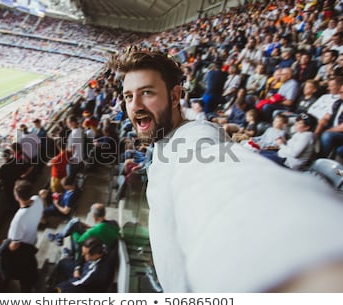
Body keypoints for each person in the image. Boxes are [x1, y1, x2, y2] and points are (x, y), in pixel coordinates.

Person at [111, 48, 343, 292]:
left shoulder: (197, 136)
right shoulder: (162, 142)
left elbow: (220, 180)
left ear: (174, 95)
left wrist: (302, 263)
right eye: (128, 96)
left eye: (146, 93)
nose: (135, 105)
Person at [0, 180, 43, 292]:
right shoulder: (37, 200)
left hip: (23, 249)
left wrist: (6, 245)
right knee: (31, 265)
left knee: (24, 273)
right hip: (32, 240)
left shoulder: (19, 218)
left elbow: (14, 245)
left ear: (16, 196)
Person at [52, 236, 116, 293]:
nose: (82, 254)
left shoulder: (97, 272)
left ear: (95, 255)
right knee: (63, 263)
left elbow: (80, 282)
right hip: (83, 270)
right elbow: (82, 257)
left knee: (63, 288)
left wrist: (73, 279)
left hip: (87, 286)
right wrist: (77, 268)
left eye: (85, 253)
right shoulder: (102, 248)